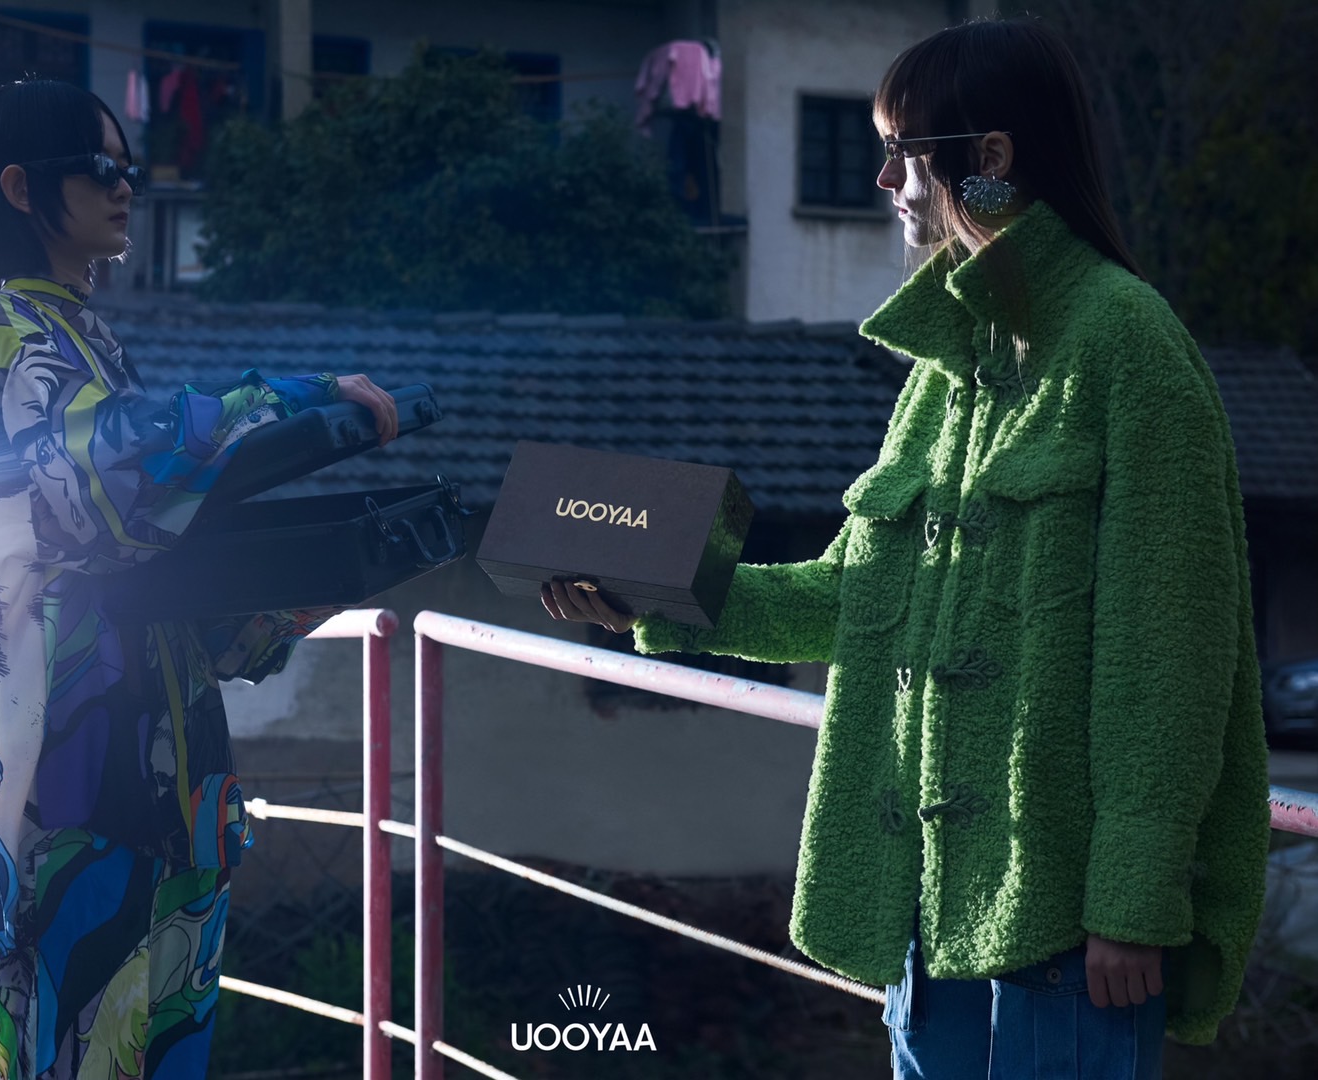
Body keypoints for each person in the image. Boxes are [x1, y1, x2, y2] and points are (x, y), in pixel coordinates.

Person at [543, 16, 1269, 1078]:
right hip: (927, 908)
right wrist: (657, 595)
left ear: (990, 158)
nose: (883, 178)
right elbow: (852, 599)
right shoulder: (945, 368)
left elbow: (1171, 662)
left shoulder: (1131, 345)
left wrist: (1133, 896)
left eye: (900, 149)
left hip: (1069, 926)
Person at [0, 79, 398, 1080]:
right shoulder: (0, 328)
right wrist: (293, 399)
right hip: (75, 796)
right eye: (101, 166)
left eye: (130, 168)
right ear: (19, 188)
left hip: (167, 792)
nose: (127, 187)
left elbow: (152, 562)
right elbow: (105, 482)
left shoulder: (86, 336)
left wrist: (328, 575)